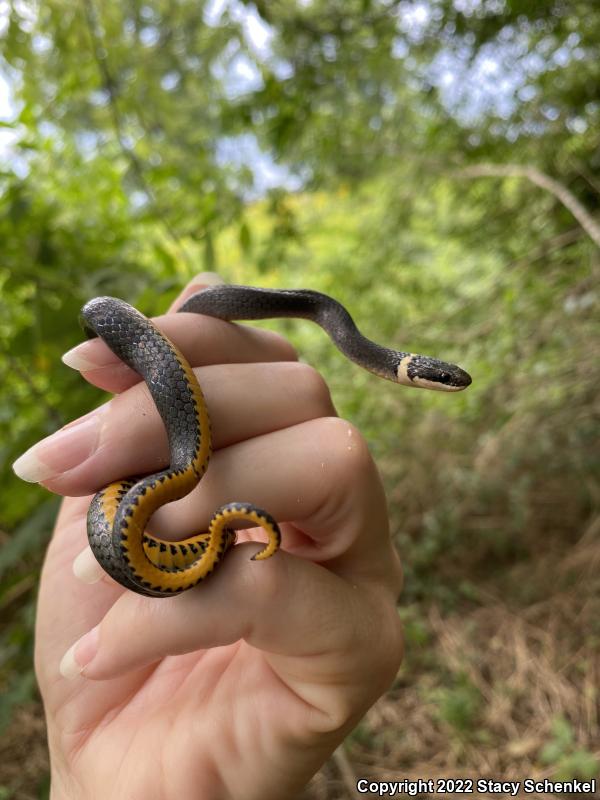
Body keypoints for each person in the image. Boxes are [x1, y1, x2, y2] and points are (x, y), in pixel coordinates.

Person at [14, 273, 404, 799]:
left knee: (188, 465)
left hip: (151, 532)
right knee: (186, 464)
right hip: (148, 506)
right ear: (406, 369)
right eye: (442, 379)